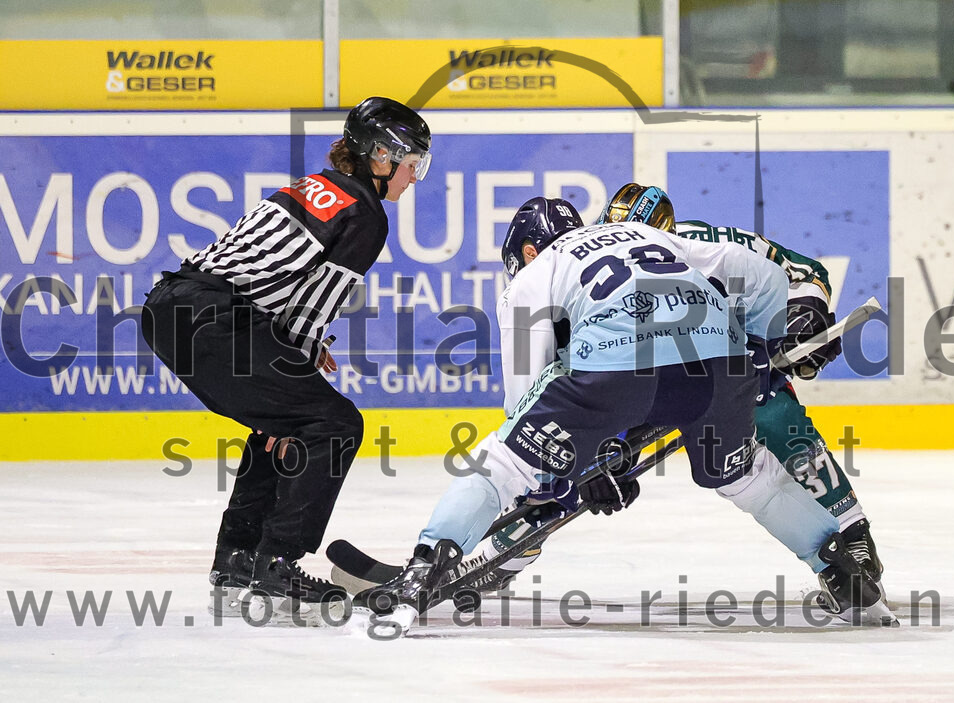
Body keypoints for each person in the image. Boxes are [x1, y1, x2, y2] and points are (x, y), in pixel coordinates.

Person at [359, 196, 892, 628]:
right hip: (719, 364)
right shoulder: (656, 237)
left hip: (616, 369)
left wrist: (567, 470)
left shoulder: (530, 277)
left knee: (505, 463)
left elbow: (525, 401)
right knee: (747, 474)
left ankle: (423, 567)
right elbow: (749, 272)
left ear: (524, 250)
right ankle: (845, 574)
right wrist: (779, 327)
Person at [141, 96, 432, 625]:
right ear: (380, 157)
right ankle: (277, 560)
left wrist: (289, 370)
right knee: (333, 423)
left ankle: (236, 558)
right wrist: (300, 352)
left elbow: (256, 268)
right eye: (411, 165)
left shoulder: (310, 187)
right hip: (217, 319)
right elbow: (315, 300)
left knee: (289, 424)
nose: (413, 178)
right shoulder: (365, 213)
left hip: (171, 306)